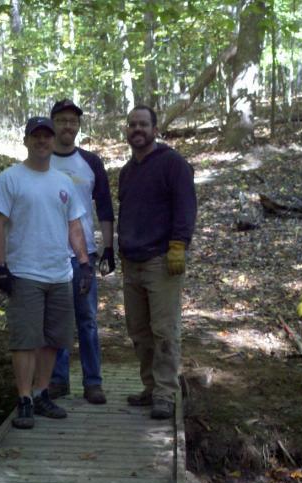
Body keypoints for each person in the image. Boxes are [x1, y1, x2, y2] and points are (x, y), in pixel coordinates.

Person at [0, 116, 92, 429]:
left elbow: (74, 225)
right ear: (26, 140)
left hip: (60, 273)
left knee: (52, 340)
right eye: (36, 136)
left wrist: (84, 263)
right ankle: (24, 400)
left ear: (52, 140)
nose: (42, 141)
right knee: (25, 340)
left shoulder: (62, 182)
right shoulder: (10, 178)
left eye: (46, 136)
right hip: (25, 272)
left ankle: (41, 392)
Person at [118, 105, 197, 419]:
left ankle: (165, 393)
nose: (137, 129)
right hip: (131, 260)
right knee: (139, 331)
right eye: (132, 125)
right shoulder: (127, 171)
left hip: (161, 261)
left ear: (155, 129)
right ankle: (150, 388)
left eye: (143, 124)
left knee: (164, 330)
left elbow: (186, 206)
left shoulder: (173, 164)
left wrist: (179, 245)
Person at [48, 99, 115, 405]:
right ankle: (58, 379)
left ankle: (93, 381)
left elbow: (104, 205)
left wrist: (108, 247)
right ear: (53, 124)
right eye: (61, 120)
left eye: (73, 121)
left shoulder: (91, 162)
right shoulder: (42, 160)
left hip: (83, 254)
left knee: (87, 319)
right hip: (48, 253)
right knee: (57, 319)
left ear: (78, 126)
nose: (67, 126)